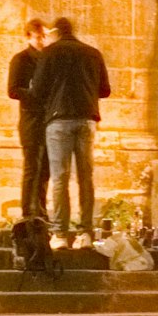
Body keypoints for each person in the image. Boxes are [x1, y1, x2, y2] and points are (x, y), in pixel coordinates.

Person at [29, 15, 111, 244]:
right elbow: (105, 90)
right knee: (86, 177)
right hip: (87, 120)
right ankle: (85, 232)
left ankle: (61, 234)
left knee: (60, 178)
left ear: (56, 32)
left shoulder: (49, 53)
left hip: (59, 120)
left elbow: (38, 91)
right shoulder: (93, 53)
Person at [3, 18, 50, 226]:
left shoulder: (48, 59)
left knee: (46, 169)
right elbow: (13, 90)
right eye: (39, 37)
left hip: (48, 120)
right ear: (29, 37)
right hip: (31, 120)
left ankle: (41, 209)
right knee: (33, 167)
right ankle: (28, 211)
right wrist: (36, 94)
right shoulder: (21, 60)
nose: (42, 41)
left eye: (44, 37)